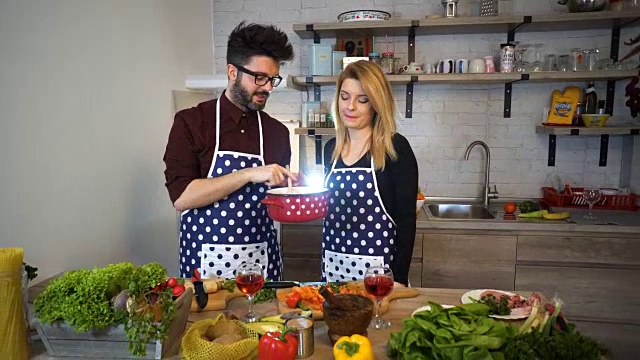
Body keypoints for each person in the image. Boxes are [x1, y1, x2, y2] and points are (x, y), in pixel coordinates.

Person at [163, 21, 296, 280]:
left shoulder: (277, 133)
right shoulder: (191, 122)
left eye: (272, 79)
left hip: (263, 267)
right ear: (232, 72)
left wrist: (293, 191)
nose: (268, 87)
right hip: (206, 268)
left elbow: (276, 202)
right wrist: (248, 174)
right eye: (259, 77)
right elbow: (181, 198)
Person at [322, 60, 418, 286]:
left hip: (379, 276)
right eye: (344, 97)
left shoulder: (394, 148)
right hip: (333, 267)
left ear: (376, 104)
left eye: (362, 100)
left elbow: (406, 221)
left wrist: (400, 279)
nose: (350, 106)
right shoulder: (331, 150)